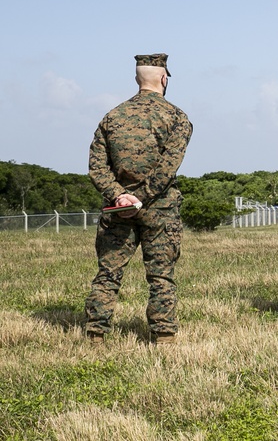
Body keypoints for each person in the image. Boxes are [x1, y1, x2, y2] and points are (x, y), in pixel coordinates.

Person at [85, 53, 193, 346]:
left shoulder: (112, 117)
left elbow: (96, 167)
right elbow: (168, 167)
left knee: (108, 273)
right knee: (161, 276)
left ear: (137, 79)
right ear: (163, 78)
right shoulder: (177, 117)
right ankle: (164, 335)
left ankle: (96, 334)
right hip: (160, 210)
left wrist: (120, 196)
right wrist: (140, 197)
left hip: (117, 210)